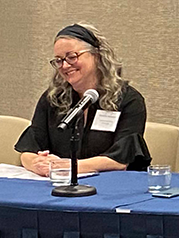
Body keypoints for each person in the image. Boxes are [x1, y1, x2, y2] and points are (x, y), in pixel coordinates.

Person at [16, 23, 151, 175]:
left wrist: (69, 166)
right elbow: (28, 149)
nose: (65, 66)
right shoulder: (53, 98)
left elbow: (120, 160)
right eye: (59, 60)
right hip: (57, 183)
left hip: (111, 186)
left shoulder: (128, 100)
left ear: (97, 55)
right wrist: (37, 163)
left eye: (72, 57)